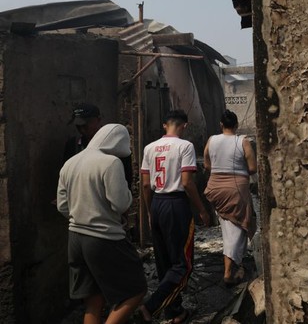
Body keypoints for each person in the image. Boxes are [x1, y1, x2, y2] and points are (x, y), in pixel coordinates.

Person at [57, 124, 146, 324]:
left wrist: (81, 215)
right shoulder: (110, 162)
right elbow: (121, 202)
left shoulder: (71, 162)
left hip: (75, 238)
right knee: (135, 291)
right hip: (104, 238)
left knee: (93, 301)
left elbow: (63, 206)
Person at [138, 110, 211, 323]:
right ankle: (150, 306)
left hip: (158, 202)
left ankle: (174, 311)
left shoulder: (149, 148)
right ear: (185, 126)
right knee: (182, 263)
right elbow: (188, 182)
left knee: (164, 262)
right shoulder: (185, 146)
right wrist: (202, 209)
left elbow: (144, 184)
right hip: (176, 203)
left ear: (164, 125)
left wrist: (150, 211)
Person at [203, 110, 257, 285]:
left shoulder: (212, 140)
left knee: (229, 226)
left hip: (215, 188)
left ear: (221, 125)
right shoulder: (243, 141)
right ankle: (228, 272)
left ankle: (238, 265)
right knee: (238, 228)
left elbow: (206, 164)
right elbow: (253, 168)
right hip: (236, 188)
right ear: (236, 126)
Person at [64, 103, 133, 189]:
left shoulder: (114, 143)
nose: (82, 130)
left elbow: (126, 177)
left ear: (98, 120)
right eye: (78, 126)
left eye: (85, 126)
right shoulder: (73, 145)